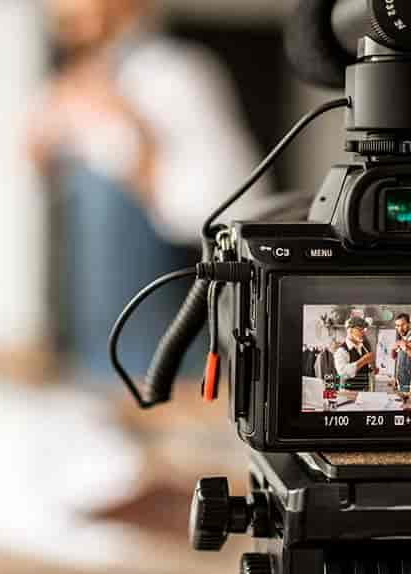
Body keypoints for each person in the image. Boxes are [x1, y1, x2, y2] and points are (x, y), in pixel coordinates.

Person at [30, 0, 267, 379]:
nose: (68, 30)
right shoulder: (79, 86)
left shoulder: (172, 73)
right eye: (61, 21)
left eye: (76, 18)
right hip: (101, 337)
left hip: (183, 290)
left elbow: (222, 207)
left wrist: (126, 128)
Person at [334, 319, 376, 391]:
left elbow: (363, 368)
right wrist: (363, 360)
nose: (363, 333)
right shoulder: (341, 351)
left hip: (363, 391)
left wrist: (371, 368)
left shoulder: (363, 347)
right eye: (360, 330)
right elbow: (342, 372)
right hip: (348, 393)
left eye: (364, 330)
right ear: (350, 331)